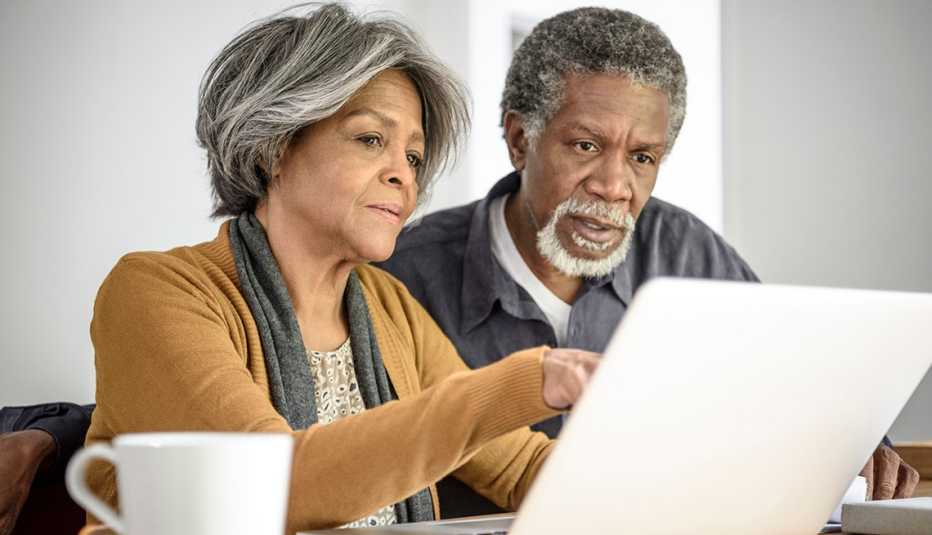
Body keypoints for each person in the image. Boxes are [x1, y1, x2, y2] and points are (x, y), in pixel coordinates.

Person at [31, 4, 598, 533]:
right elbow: (271, 487)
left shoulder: (390, 306)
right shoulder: (153, 293)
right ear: (273, 148)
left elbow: (521, 467)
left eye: (414, 156)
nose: (404, 175)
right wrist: (528, 380)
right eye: (371, 139)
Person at [376, 6, 921, 517]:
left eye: (642, 157)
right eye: (586, 146)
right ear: (520, 140)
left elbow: (800, 386)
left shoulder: (686, 253)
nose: (614, 186)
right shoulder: (404, 273)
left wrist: (855, 446)